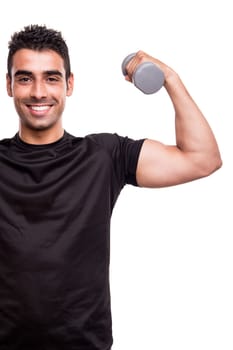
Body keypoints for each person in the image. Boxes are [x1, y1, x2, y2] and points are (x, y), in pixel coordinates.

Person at [0, 24, 222, 350]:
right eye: (24, 78)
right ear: (9, 85)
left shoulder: (103, 156)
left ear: (69, 84)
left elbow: (203, 159)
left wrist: (171, 79)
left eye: (51, 77)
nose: (38, 92)